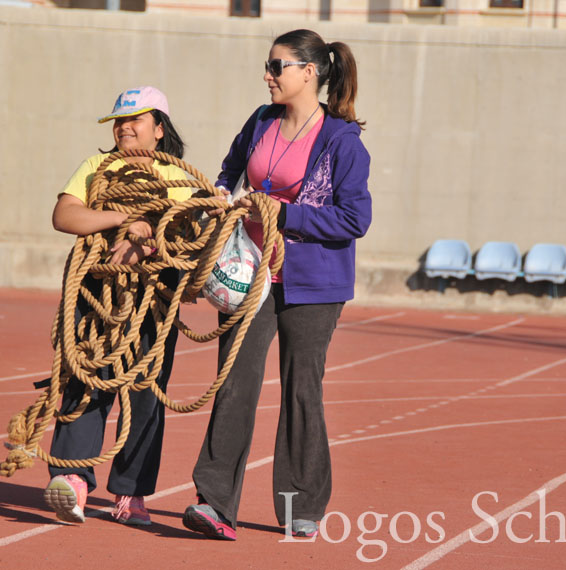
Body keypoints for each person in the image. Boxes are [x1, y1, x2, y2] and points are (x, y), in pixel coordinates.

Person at [181, 29, 372, 541]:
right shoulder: (261, 120)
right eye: (268, 66)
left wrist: (285, 215)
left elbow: (355, 219)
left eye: (277, 66)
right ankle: (215, 502)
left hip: (314, 284)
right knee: (234, 382)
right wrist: (221, 195)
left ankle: (300, 507)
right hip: (251, 275)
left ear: (309, 72)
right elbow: (231, 168)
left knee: (301, 390)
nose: (268, 75)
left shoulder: (342, 140)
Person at [43, 87, 190, 526]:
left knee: (145, 391)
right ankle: (72, 482)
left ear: (159, 129)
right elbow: (67, 215)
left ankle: (132, 494)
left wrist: (146, 240)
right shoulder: (96, 167)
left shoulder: (178, 179)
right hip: (96, 290)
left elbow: (181, 230)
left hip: (155, 295)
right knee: (87, 378)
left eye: (136, 120)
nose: (124, 127)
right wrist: (124, 220)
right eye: (119, 121)